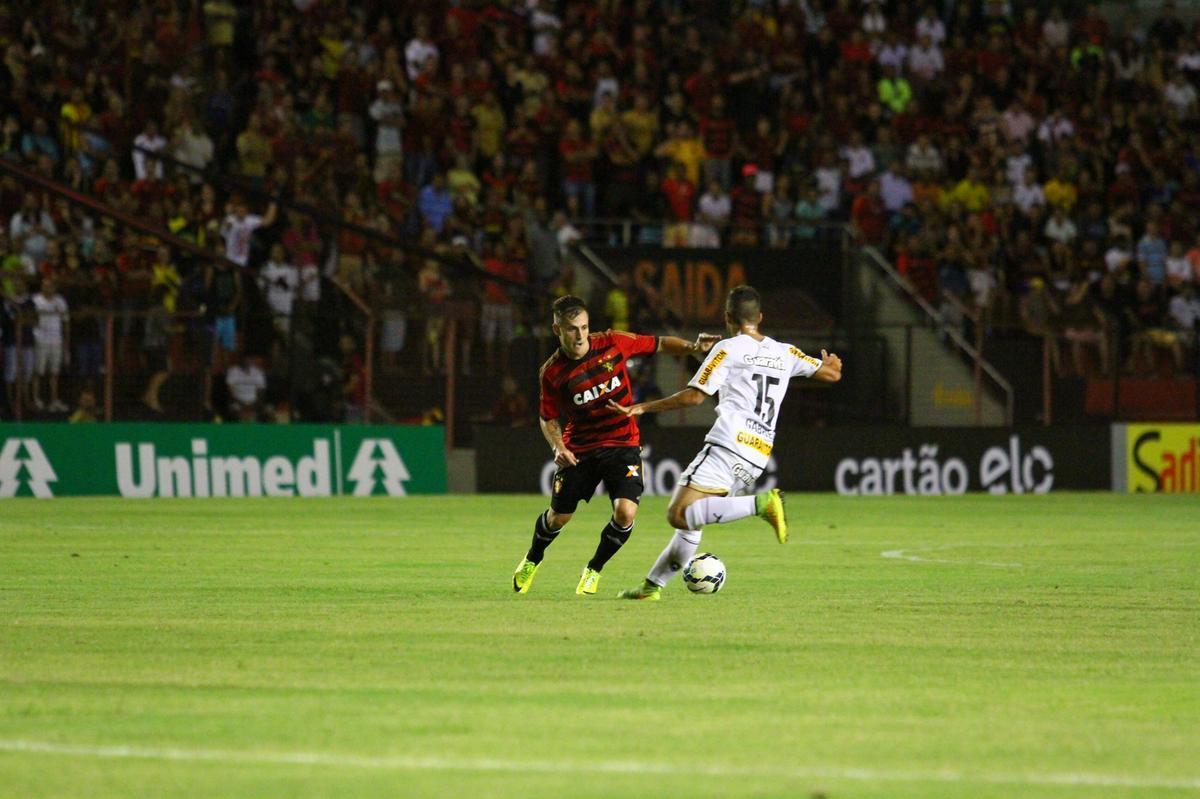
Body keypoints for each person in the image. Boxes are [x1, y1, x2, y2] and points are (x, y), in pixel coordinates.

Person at [610, 285, 843, 600]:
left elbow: (694, 397)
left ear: (727, 317)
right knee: (691, 520)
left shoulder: (727, 349)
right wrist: (833, 365)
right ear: (759, 318)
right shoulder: (785, 352)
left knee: (677, 514)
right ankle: (652, 586)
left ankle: (761, 504)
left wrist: (642, 407)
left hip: (728, 443)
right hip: (757, 454)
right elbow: (830, 375)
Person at [512, 294, 721, 596]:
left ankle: (593, 569)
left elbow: (659, 343)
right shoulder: (552, 372)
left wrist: (691, 347)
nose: (580, 335)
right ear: (557, 330)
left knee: (625, 513)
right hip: (581, 447)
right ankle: (533, 558)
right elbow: (547, 418)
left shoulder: (613, 342)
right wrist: (558, 447)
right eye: (572, 329)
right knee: (558, 517)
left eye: (584, 326)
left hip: (623, 441)